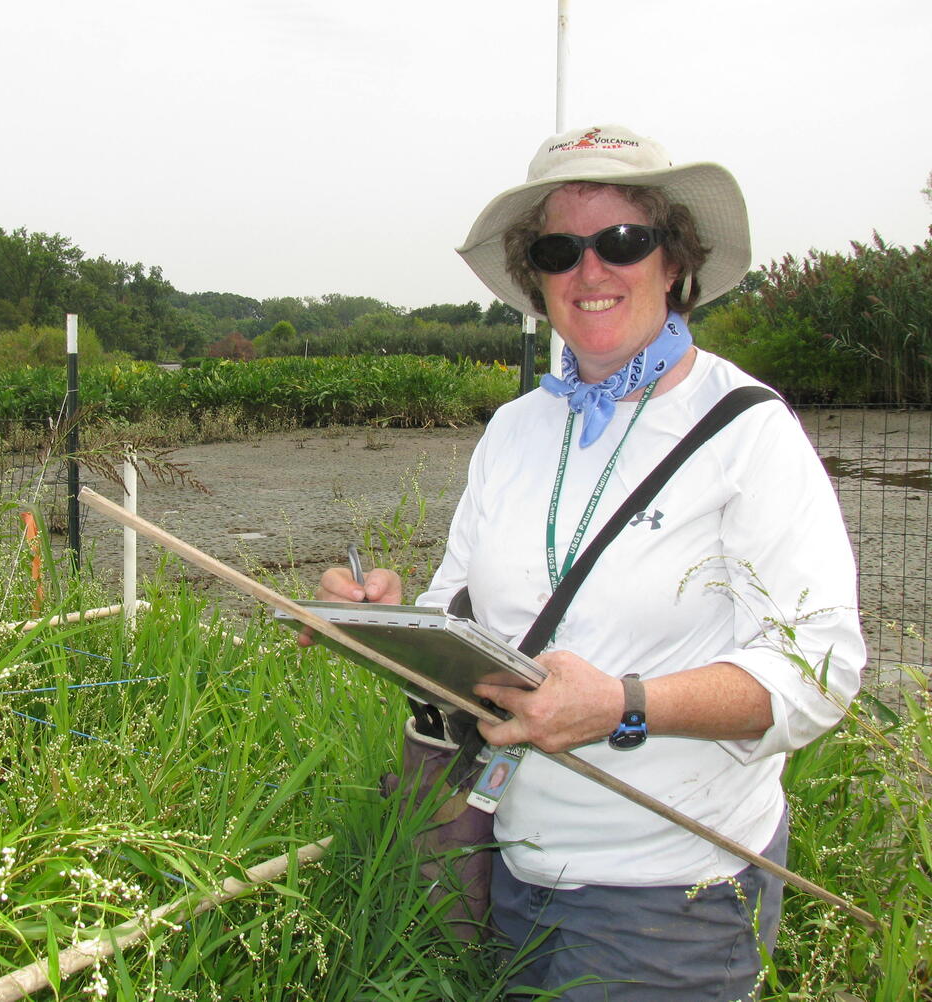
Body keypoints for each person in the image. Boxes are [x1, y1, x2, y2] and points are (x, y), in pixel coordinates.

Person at [310, 124, 866, 999]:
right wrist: (389, 615)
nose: (590, 270)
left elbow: (820, 673)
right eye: (561, 250)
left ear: (673, 261)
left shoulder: (749, 432)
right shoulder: (514, 430)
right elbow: (463, 600)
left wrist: (624, 704)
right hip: (510, 867)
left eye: (622, 241)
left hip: (674, 892)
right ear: (537, 279)